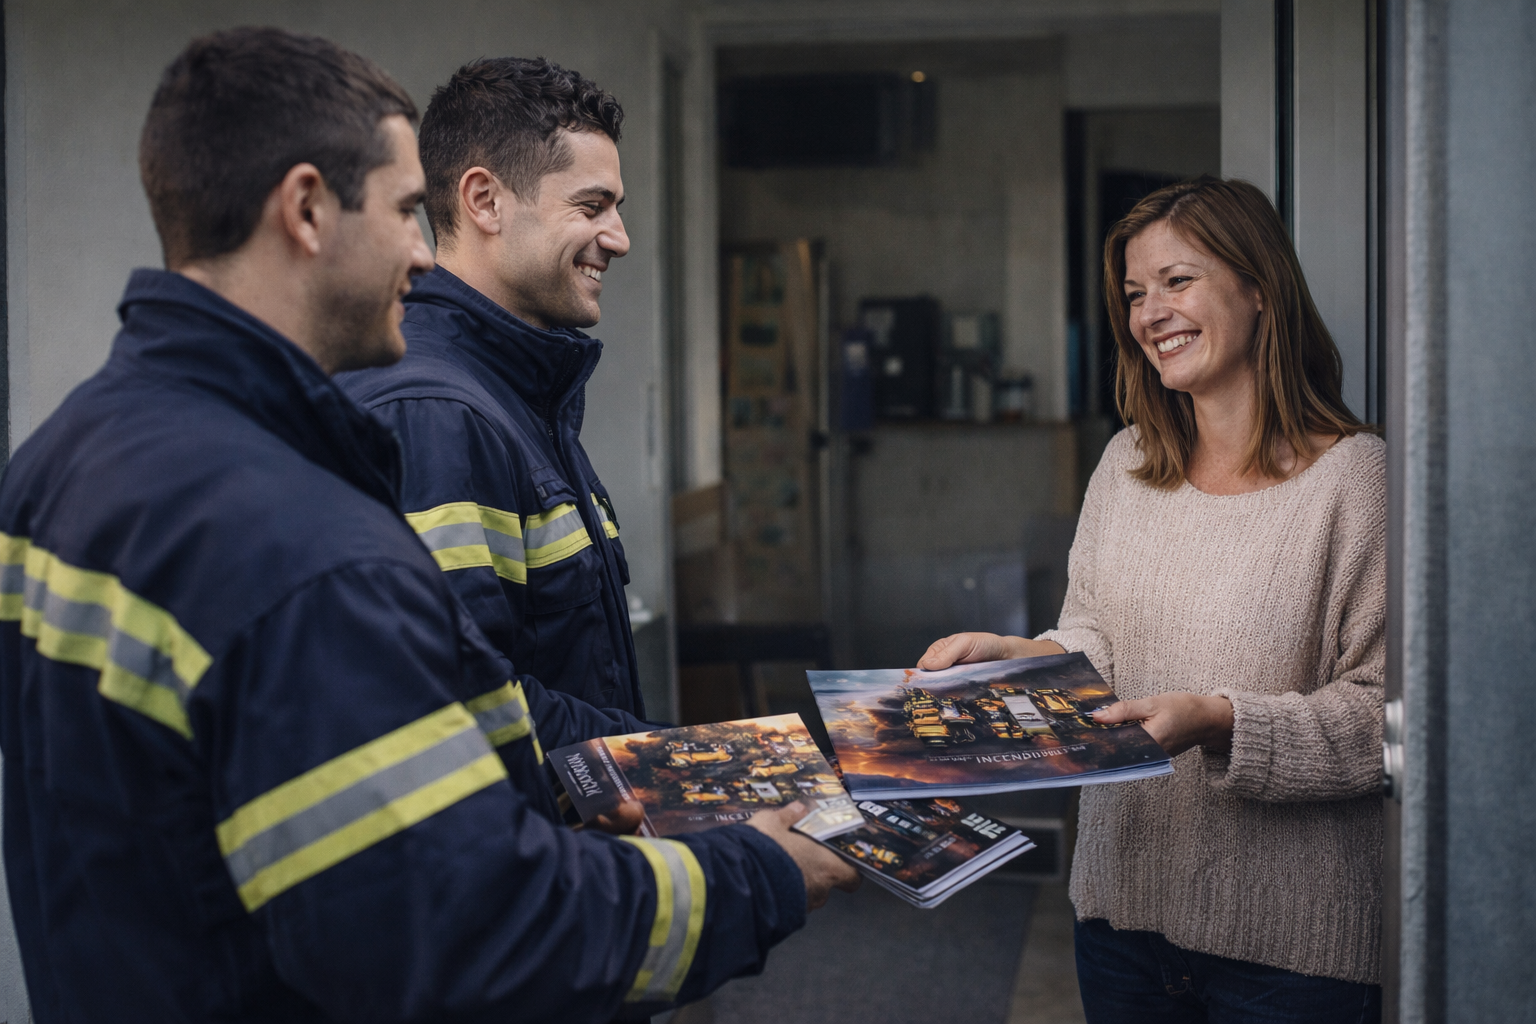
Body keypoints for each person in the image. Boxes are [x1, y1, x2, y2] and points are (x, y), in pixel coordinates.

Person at [0, 28, 856, 1024]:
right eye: (410, 210)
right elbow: (468, 924)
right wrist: (757, 871)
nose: (423, 248)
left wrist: (700, 772)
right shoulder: (306, 546)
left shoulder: (59, 457)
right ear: (308, 208)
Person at [919, 177, 1385, 1022]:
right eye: (1135, 294)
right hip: (1121, 922)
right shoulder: (1128, 463)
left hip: (1289, 954)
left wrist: (1219, 721)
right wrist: (1019, 661)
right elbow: (1096, 643)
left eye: (1178, 281)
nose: (1150, 313)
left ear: (1258, 287)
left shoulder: (1354, 481)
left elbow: (1381, 720)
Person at [337, 57, 645, 717]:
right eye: (593, 206)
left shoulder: (519, 393)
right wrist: (677, 768)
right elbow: (459, 705)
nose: (619, 238)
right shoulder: (432, 414)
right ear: (484, 201)